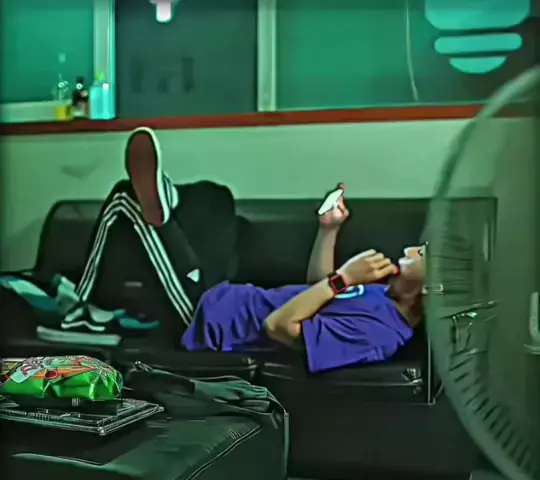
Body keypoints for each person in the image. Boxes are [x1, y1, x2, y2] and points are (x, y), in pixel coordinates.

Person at [43, 127, 427, 373]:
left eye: (424, 254)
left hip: (205, 320)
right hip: (225, 294)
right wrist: (329, 230)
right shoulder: (381, 297)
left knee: (123, 198)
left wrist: (343, 279)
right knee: (217, 197)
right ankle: (167, 199)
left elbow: (279, 327)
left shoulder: (378, 334)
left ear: (431, 289)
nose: (413, 247)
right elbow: (318, 289)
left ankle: (78, 308)